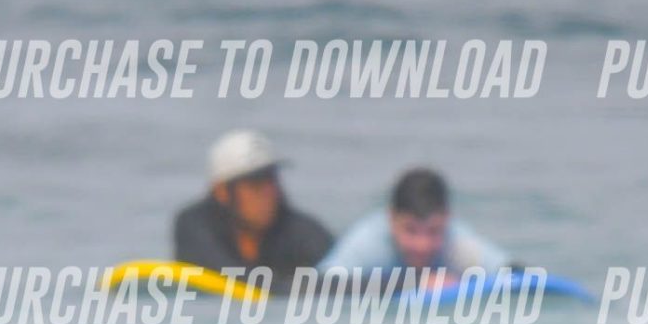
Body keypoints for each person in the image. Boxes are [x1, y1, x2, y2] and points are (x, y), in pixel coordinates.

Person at [171, 129, 335, 280]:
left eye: (272, 181)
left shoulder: (302, 232)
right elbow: (223, 272)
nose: (268, 194)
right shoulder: (195, 224)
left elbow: (338, 280)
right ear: (222, 192)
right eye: (255, 184)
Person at [323, 167, 510, 277]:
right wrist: (415, 283)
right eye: (411, 230)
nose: (422, 245)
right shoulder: (369, 243)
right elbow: (319, 286)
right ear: (391, 219)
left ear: (447, 220)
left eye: (433, 231)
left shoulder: (456, 242)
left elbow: (514, 275)